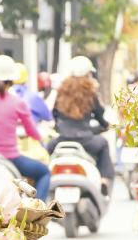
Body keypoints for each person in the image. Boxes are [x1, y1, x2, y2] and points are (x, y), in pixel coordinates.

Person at [0, 55, 51, 201]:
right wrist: (42, 136)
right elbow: (32, 132)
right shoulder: (18, 103)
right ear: (12, 80)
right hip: (12, 159)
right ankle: (38, 211)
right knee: (44, 172)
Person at [47, 56, 114, 196]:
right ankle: (103, 180)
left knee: (46, 151)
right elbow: (100, 116)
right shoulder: (90, 91)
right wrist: (107, 125)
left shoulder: (61, 90)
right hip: (85, 141)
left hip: (61, 140)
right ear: (88, 74)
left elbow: (55, 114)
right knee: (104, 144)